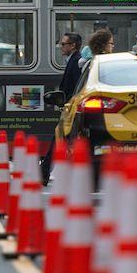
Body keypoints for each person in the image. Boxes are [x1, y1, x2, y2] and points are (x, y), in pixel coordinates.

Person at [42, 32, 84, 183]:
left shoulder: (76, 61)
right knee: (60, 139)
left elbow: (75, 87)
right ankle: (44, 172)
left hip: (72, 109)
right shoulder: (73, 60)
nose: (61, 47)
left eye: (64, 44)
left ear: (73, 45)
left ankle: (44, 172)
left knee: (61, 140)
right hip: (69, 108)